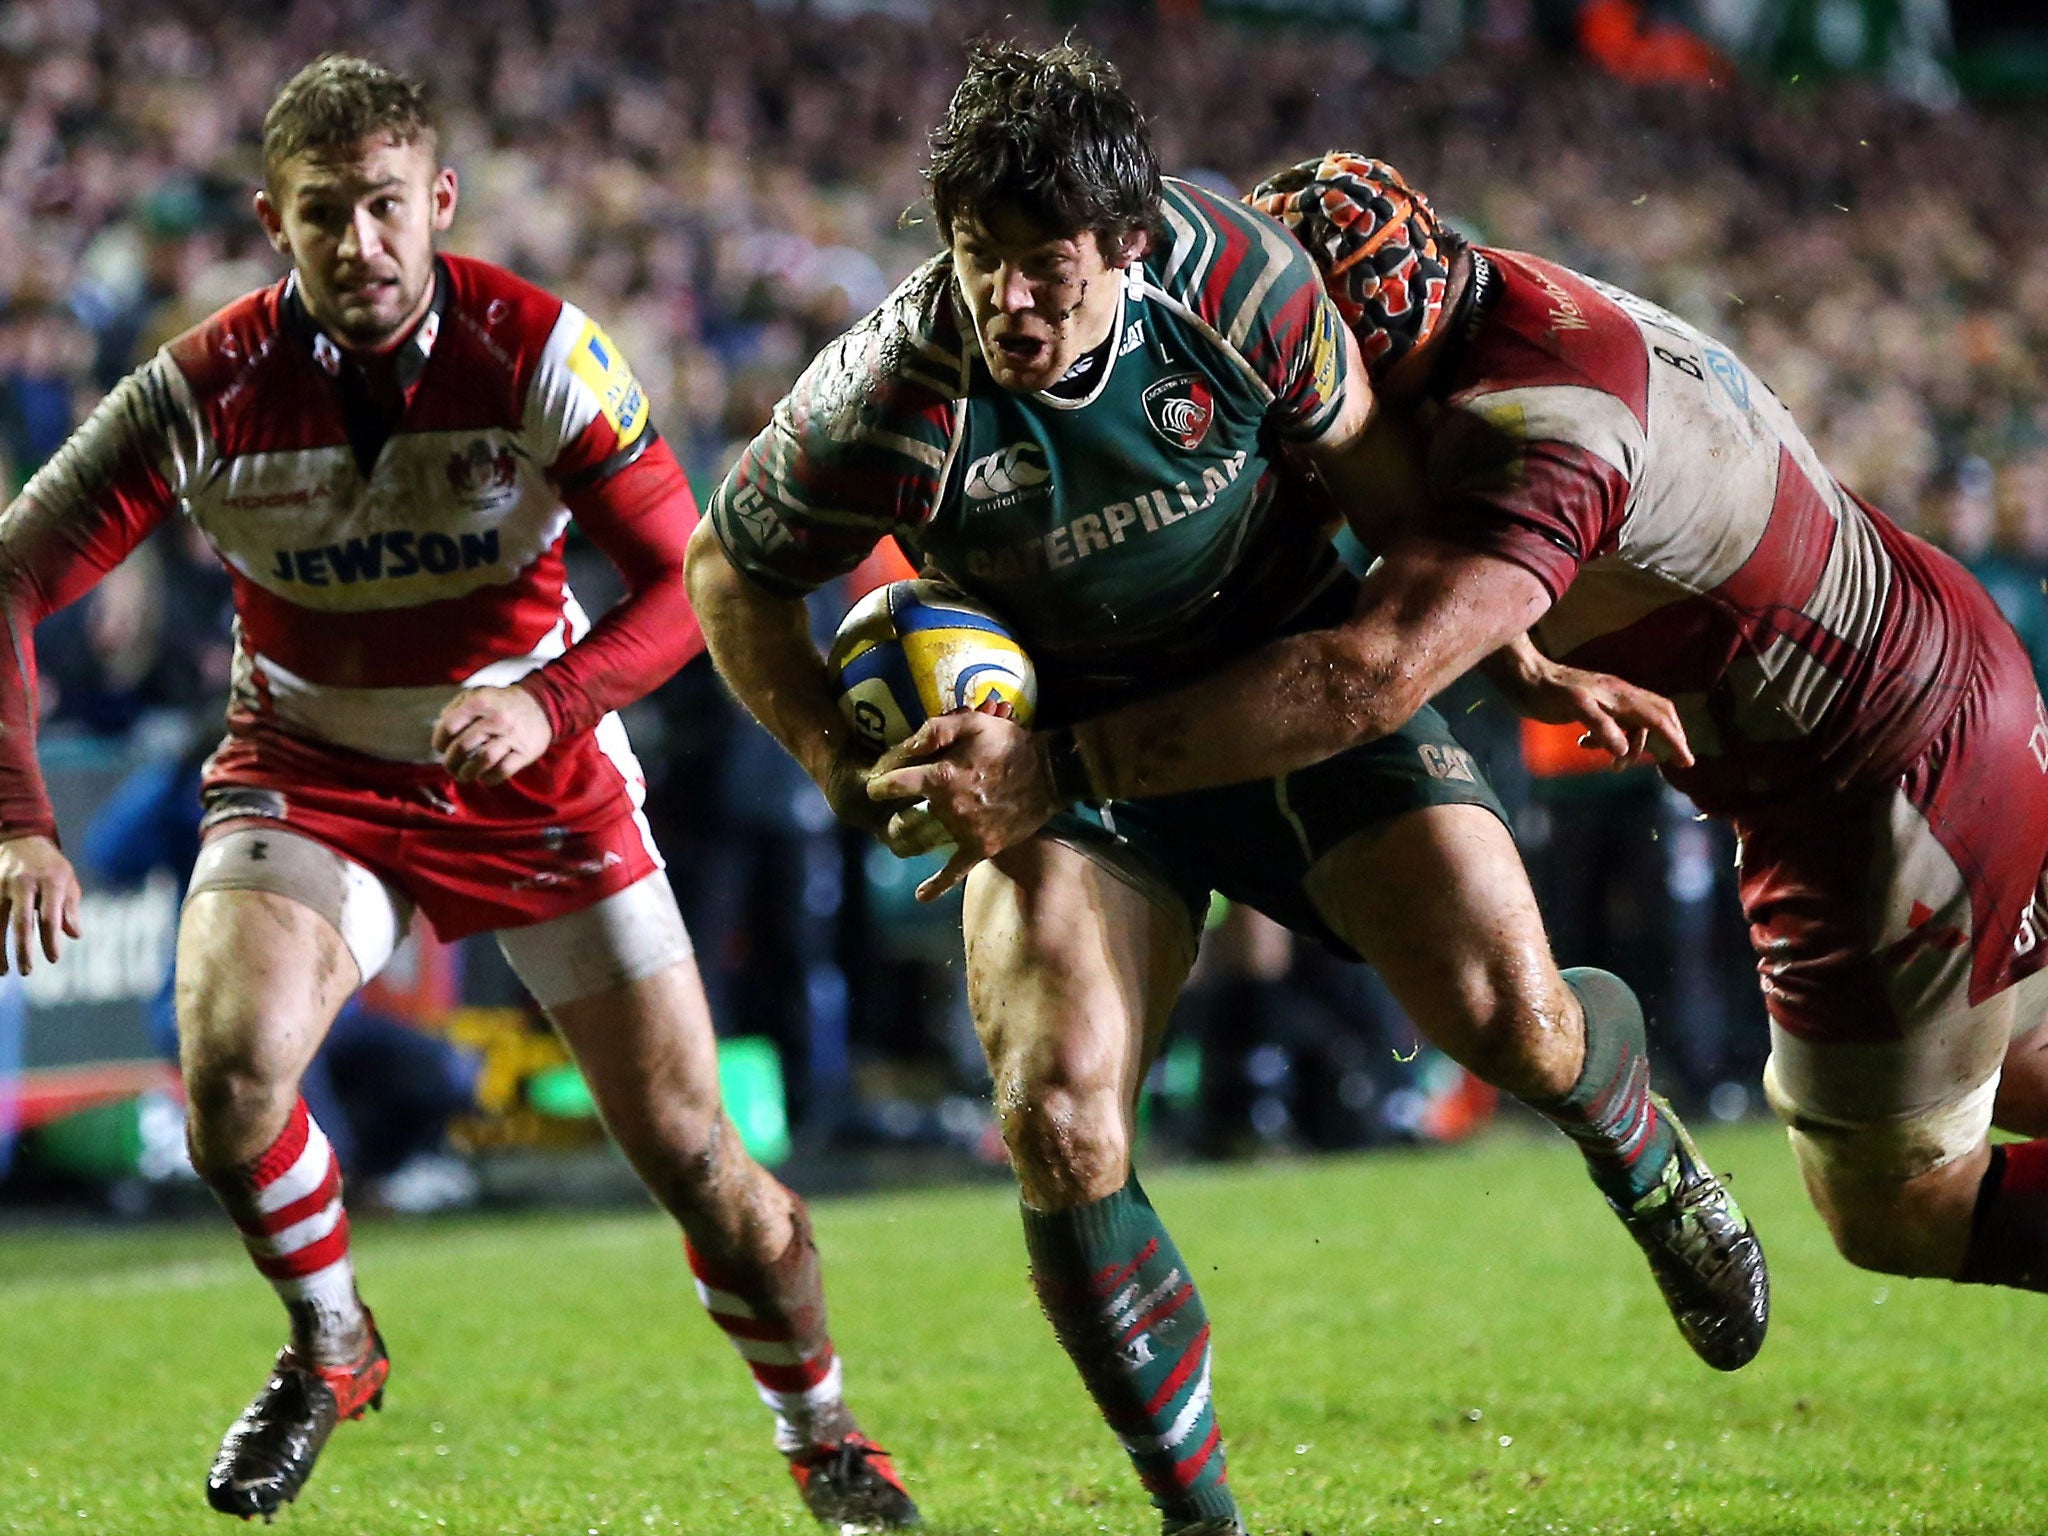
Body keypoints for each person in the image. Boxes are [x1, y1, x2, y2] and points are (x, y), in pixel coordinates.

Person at [686, 41, 1766, 1536]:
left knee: (1515, 1021)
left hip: (1291, 685)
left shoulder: (1247, 288)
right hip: (1050, 759)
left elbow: (1393, 507)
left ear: (1126, 243)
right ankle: (1201, 1518)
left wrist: (1517, 666)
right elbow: (725, 574)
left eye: (1044, 265)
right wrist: (837, 770)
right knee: (1062, 1123)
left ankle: (1638, 1151)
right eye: (976, 257)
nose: (1007, 300)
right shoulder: (890, 389)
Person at [903, 143, 2048, 1329]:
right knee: (2005, 1064)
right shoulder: (1479, 300)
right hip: (1935, 689)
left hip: (1876, 783)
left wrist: (1064, 768)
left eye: (1306, 364)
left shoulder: (1535, 428)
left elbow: (1369, 677)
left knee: (1898, 1203)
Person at [0, 56, 916, 1531]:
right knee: (231, 1085)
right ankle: (334, 1346)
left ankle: (822, 1431)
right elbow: (13, 574)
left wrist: (548, 700)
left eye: (382, 208)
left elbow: (692, 585)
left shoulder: (539, 350)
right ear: (270, 223)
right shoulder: (202, 386)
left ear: (437, 204)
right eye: (321, 216)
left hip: (540, 777)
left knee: (702, 1167)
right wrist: (18, 818)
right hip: (308, 769)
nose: (357, 244)